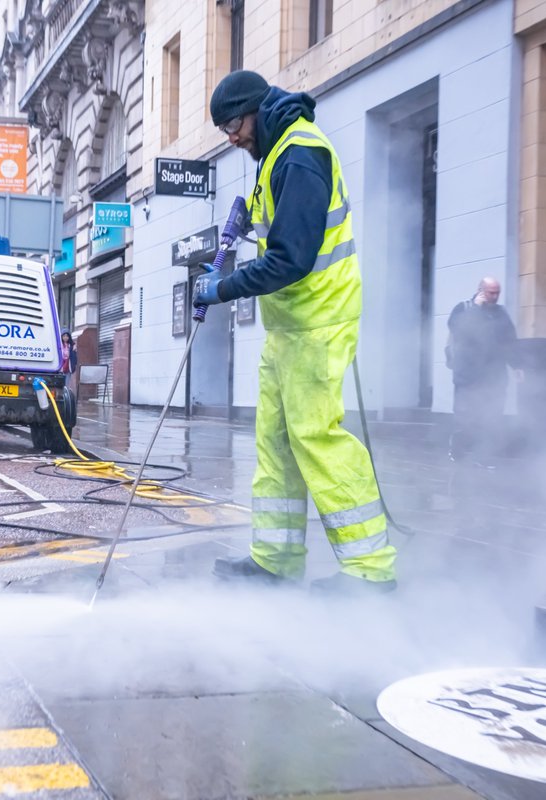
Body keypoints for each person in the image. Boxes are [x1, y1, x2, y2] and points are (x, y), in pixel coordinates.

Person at [195, 69, 396, 595]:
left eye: (233, 125)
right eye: (223, 130)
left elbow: (291, 260)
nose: (231, 137)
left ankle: (370, 572)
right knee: (277, 445)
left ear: (257, 110)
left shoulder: (299, 155)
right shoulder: (274, 153)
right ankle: (275, 561)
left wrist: (223, 288)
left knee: (316, 440)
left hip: (319, 321)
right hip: (290, 327)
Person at [445, 277, 522, 466]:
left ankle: (484, 457)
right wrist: (475, 310)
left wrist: (517, 365)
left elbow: (509, 341)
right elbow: (459, 330)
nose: (495, 296)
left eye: (497, 293)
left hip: (494, 377)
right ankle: (458, 454)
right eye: (491, 292)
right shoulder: (463, 309)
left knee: (491, 419)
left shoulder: (500, 313)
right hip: (468, 376)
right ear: (480, 290)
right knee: (465, 418)